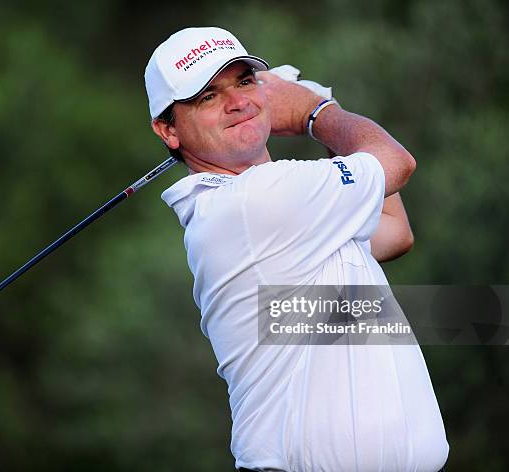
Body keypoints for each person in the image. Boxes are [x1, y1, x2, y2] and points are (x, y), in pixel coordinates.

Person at [145, 26, 449, 472]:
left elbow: (393, 230)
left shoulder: (301, 210)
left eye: (246, 82)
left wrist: (324, 118)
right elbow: (396, 162)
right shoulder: (253, 201)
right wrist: (315, 110)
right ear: (169, 129)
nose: (237, 102)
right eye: (207, 96)